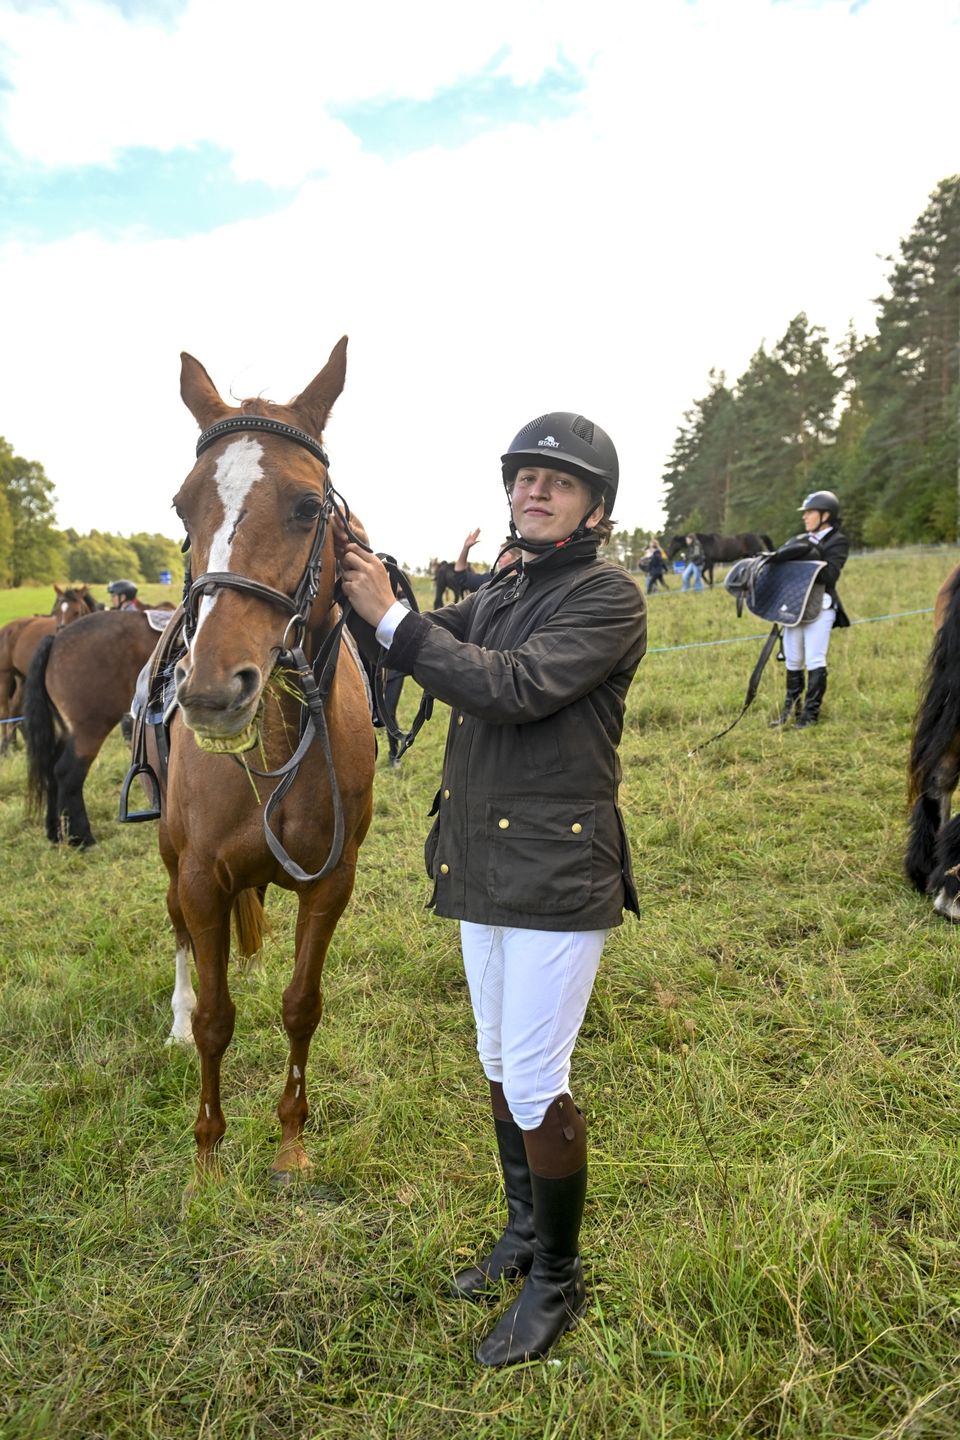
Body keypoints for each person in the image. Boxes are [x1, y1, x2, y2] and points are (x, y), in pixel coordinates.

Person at [337, 411, 646, 1368]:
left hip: (557, 869)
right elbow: (418, 642)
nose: (534, 490)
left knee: (538, 1081)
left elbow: (509, 686)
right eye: (524, 477)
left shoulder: (608, 596)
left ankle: (558, 1275)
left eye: (558, 480)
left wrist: (392, 617)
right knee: (498, 1062)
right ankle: (521, 1231)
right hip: (478, 861)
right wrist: (356, 571)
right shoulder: (508, 585)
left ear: (596, 508)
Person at [768, 489, 850, 728]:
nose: (804, 517)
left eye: (810, 512)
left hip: (821, 607)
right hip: (795, 606)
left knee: (814, 658)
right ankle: (790, 712)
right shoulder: (799, 539)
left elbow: (830, 575)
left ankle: (810, 715)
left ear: (825, 515)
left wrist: (805, 554)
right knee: (793, 660)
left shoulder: (837, 541)